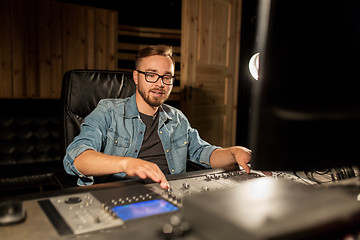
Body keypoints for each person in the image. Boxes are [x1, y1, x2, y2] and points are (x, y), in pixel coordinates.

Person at [63, 45, 251, 190]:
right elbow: (76, 158)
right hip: (117, 197)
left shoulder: (177, 118)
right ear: (136, 77)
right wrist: (126, 164)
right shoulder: (108, 110)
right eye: (151, 75)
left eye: (167, 77)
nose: (160, 84)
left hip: (169, 194)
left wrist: (234, 152)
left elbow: (204, 153)